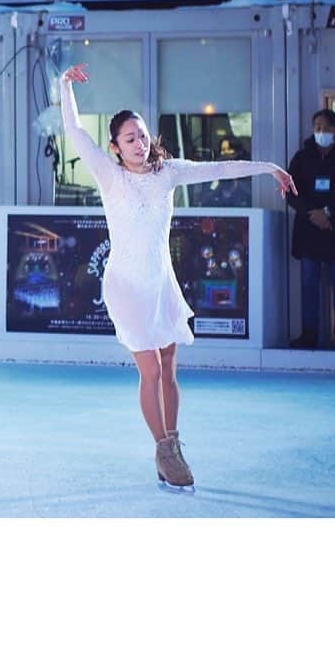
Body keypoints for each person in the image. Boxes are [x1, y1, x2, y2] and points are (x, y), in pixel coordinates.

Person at [59, 63, 296, 491]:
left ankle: (174, 441)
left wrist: (269, 168)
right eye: (130, 138)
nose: (140, 143)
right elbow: (74, 131)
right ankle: (163, 448)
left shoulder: (167, 173)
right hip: (127, 285)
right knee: (148, 369)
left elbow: (219, 169)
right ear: (114, 147)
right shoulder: (109, 176)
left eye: (143, 135)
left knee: (168, 367)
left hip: (159, 281)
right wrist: (64, 86)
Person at [286, 109, 335, 350]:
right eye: (317, 126)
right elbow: (290, 190)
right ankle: (309, 334)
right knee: (309, 284)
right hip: (310, 231)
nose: (321, 132)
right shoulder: (301, 158)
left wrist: (328, 213)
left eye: (326, 128)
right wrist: (313, 213)